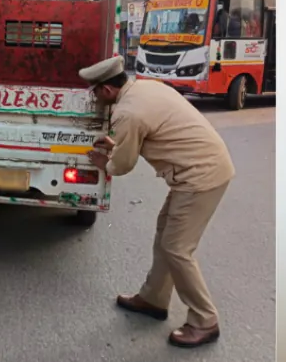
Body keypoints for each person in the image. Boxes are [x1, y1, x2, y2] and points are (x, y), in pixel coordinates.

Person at [79, 56, 235, 348]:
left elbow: (122, 164)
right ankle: (153, 299)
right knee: (165, 236)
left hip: (200, 177)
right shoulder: (145, 89)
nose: (94, 97)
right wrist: (119, 146)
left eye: (94, 91)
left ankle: (205, 320)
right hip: (200, 169)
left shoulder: (127, 112)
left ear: (108, 90)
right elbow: (146, 135)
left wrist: (105, 162)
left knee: (177, 248)